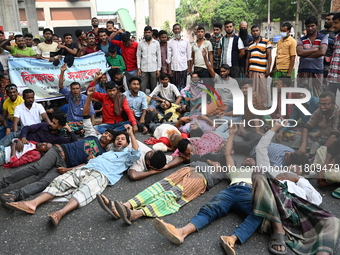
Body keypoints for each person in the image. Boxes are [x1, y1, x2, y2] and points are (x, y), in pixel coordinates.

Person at [153, 124, 263, 254]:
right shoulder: (235, 169)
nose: (249, 160)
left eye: (252, 160)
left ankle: (231, 240)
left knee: (260, 213)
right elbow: (227, 153)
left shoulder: (260, 173)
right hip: (231, 190)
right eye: (247, 159)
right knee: (210, 209)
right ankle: (181, 232)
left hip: (249, 193)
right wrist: (232, 134)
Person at [5, 124, 140, 227]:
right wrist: (70, 169)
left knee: (75, 190)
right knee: (49, 176)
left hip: (99, 175)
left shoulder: (127, 155)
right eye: (117, 138)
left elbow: (136, 152)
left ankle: (58, 212)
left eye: (122, 139)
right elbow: (85, 136)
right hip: (70, 159)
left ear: (127, 143)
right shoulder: (100, 147)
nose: (119, 140)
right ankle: (25, 199)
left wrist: (130, 134)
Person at [0, 93, 116, 205]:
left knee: (45, 182)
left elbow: (86, 165)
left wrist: (68, 169)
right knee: (37, 167)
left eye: (109, 136)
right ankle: (3, 182)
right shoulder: (92, 136)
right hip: (57, 152)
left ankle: (14, 195)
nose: (105, 135)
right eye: (105, 133)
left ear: (111, 141)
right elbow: (85, 118)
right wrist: (89, 96)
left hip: (65, 165)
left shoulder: (102, 154)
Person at [297, 91, 340, 155]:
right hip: (320, 139)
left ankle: (312, 155)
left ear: (333, 104)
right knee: (298, 137)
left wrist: (321, 151)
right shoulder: (318, 111)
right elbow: (307, 127)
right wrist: (304, 144)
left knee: (328, 151)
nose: (322, 107)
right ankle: (307, 154)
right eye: (320, 104)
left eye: (326, 104)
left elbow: (334, 136)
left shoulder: (337, 114)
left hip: (333, 143)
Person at [297, 16, 328, 97]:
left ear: (317, 25)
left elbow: (322, 52)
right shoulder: (301, 39)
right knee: (302, 96)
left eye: (312, 26)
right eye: (308, 26)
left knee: (317, 95)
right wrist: (314, 50)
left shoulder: (323, 37)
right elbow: (299, 52)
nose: (310, 28)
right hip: (303, 70)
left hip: (317, 70)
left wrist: (305, 54)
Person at [202, 48, 239, 116]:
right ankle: (218, 111)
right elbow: (210, 69)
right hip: (216, 102)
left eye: (224, 71)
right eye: (221, 71)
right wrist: (205, 57)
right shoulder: (217, 78)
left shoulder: (234, 82)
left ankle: (219, 112)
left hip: (227, 104)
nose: (222, 73)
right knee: (205, 112)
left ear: (228, 71)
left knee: (229, 112)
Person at [245, 25, 272, 106]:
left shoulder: (266, 42)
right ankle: (254, 107)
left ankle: (263, 107)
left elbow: (269, 56)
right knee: (253, 90)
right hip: (252, 71)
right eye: (253, 31)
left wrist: (268, 69)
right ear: (251, 33)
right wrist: (246, 71)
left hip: (261, 71)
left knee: (262, 90)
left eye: (257, 30)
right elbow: (247, 58)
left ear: (260, 31)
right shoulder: (250, 44)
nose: (255, 32)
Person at [166, 23, 192, 90]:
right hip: (174, 68)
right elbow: (168, 57)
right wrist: (169, 70)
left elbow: (189, 55)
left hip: (183, 67)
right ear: (173, 30)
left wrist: (189, 68)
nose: (177, 30)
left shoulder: (186, 41)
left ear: (180, 30)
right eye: (175, 29)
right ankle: (176, 100)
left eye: (178, 29)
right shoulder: (170, 42)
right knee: (174, 87)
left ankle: (182, 99)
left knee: (183, 86)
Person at [137, 26, 161, 92]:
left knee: (153, 88)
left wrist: (158, 69)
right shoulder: (141, 43)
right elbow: (138, 56)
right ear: (144, 33)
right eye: (146, 32)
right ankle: (143, 101)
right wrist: (139, 68)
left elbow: (158, 56)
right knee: (142, 87)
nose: (147, 34)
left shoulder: (156, 43)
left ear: (152, 33)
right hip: (143, 69)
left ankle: (153, 101)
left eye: (149, 32)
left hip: (153, 68)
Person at [320, 12, 336, 88]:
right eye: (326, 19)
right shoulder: (321, 33)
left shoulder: (337, 34)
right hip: (320, 64)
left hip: (332, 66)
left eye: (328, 19)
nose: (326, 21)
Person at [326, 12, 340, 96]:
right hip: (332, 77)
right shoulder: (336, 37)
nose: (333, 25)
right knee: (328, 102)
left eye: (336, 23)